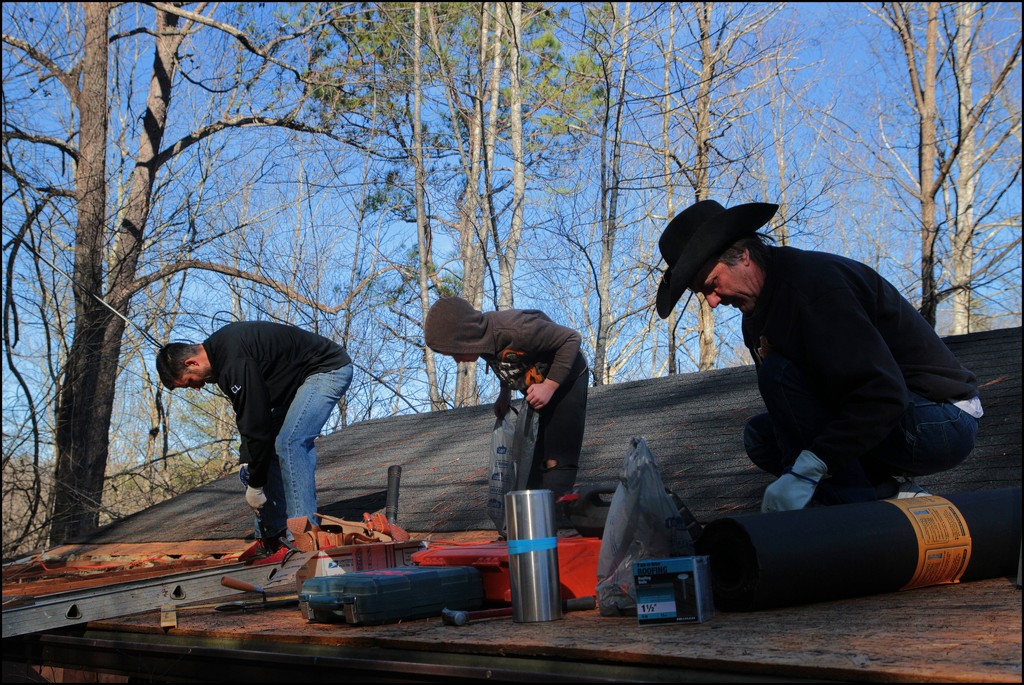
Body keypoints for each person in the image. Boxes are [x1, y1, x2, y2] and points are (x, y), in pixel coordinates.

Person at [655, 199, 982, 511]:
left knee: (778, 374)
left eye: (712, 284)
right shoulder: (756, 317)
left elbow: (883, 395)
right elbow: (790, 414)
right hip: (887, 417)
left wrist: (808, 469)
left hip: (937, 420)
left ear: (742, 255)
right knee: (761, 437)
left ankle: (853, 517)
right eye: (703, 294)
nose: (712, 302)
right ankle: (887, 495)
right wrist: (791, 475)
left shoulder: (814, 287)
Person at [156, 321, 353, 552]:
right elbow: (249, 418)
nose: (197, 388)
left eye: (190, 382)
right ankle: (271, 538)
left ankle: (304, 537)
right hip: (295, 385)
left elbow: (256, 423)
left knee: (290, 442)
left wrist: (257, 485)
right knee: (264, 453)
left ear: (192, 362)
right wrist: (247, 462)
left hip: (326, 370)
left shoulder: (233, 360)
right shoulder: (223, 361)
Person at [423, 296, 589, 501]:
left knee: (556, 458)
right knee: (532, 456)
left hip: (566, 381)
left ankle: (555, 521)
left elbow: (571, 339)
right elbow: (506, 362)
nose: (457, 360)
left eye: (455, 352)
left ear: (465, 336)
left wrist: (549, 386)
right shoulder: (482, 343)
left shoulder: (516, 329)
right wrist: (505, 392)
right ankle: (534, 520)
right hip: (538, 387)